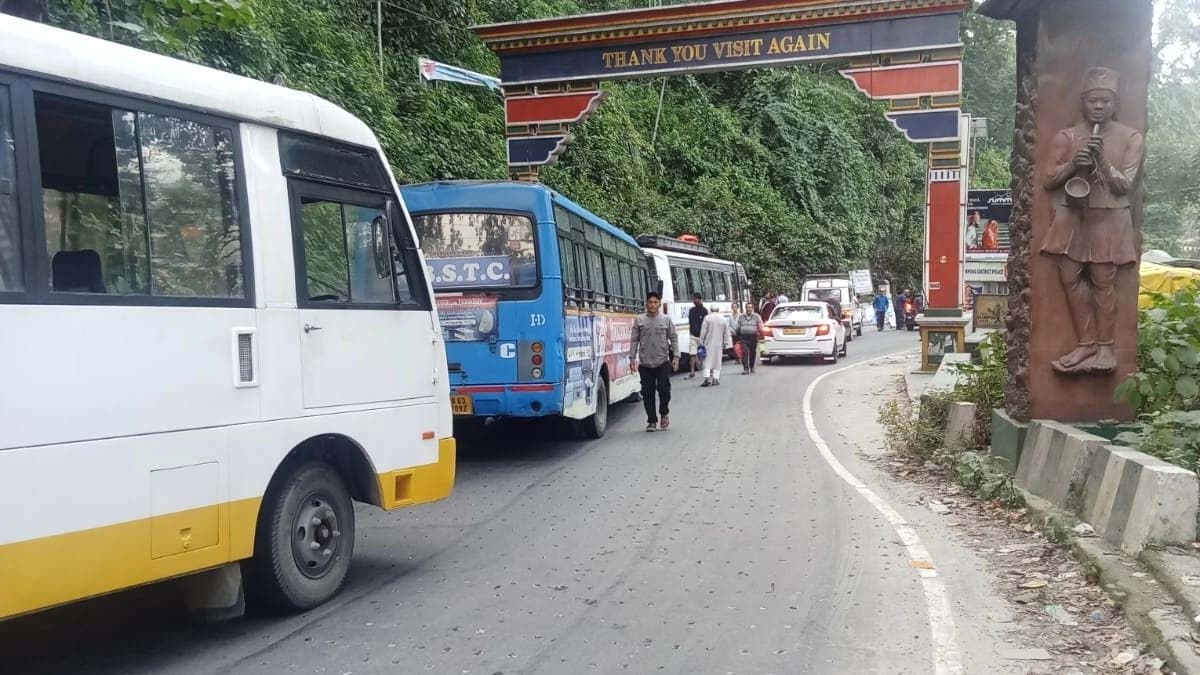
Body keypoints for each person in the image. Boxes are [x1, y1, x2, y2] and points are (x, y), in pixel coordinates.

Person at [1041, 67, 1143, 374]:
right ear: (1083, 103)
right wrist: (1074, 163)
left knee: (1103, 280)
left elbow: (1125, 185)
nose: (1098, 107)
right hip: (1074, 214)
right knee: (1069, 274)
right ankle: (1085, 343)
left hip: (1110, 217)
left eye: (1105, 101)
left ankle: (1105, 349)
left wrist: (1101, 160)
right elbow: (1048, 180)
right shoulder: (1067, 136)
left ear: (1114, 103)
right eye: (1092, 101)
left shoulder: (1130, 137)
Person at [630, 291, 679, 432]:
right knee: (647, 393)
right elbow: (634, 340)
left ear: (659, 304)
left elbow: (674, 338)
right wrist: (632, 358)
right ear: (646, 303)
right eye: (650, 302)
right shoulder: (639, 320)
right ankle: (651, 420)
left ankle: (664, 413)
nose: (652, 305)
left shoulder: (666, 320)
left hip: (662, 362)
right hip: (645, 364)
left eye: (655, 302)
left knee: (664, 391)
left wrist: (676, 357)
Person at [699, 306, 731, 387]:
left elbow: (703, 331)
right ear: (718, 310)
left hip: (708, 343)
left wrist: (701, 341)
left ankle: (707, 379)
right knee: (717, 361)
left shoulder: (707, 318)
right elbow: (726, 332)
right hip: (719, 344)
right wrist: (726, 342)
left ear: (710, 310)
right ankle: (715, 379)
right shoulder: (723, 319)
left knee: (707, 361)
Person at [735, 302, 764, 374]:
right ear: (745, 308)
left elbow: (760, 326)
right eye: (747, 307)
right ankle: (745, 368)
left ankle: (752, 367)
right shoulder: (741, 317)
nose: (748, 309)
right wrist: (738, 335)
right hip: (744, 337)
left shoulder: (756, 316)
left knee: (752, 352)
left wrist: (761, 334)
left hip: (753, 337)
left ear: (752, 309)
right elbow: (737, 327)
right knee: (744, 353)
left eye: (750, 307)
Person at [686, 293, 708, 380]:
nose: (694, 301)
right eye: (693, 299)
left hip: (702, 336)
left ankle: (706, 370)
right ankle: (692, 371)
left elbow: (706, 324)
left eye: (695, 299)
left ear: (700, 299)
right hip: (693, 336)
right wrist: (691, 333)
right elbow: (690, 323)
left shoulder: (704, 311)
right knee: (692, 354)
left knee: (703, 355)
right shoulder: (691, 311)